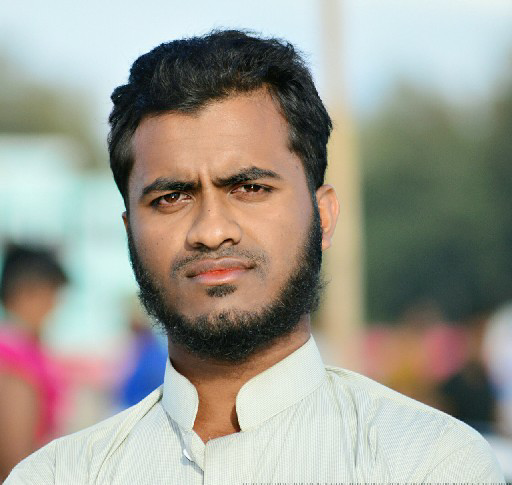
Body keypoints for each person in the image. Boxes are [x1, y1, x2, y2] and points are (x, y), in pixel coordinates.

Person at [7, 30, 505, 483]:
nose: (211, 231)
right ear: (129, 232)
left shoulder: (427, 463)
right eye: (172, 197)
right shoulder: (59, 476)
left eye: (250, 188)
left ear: (323, 216)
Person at [0, 244, 67, 481]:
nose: (54, 306)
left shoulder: (26, 349)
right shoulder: (13, 356)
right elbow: (15, 460)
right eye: (51, 295)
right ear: (26, 293)